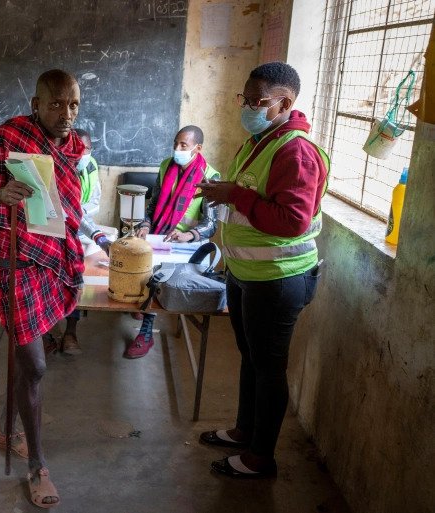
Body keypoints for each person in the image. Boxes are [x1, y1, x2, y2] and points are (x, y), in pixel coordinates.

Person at [0, 69, 86, 509]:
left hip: (51, 263)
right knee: (34, 364)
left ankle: (4, 431)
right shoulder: (8, 136)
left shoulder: (73, 148)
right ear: (35, 104)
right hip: (15, 265)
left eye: (73, 104)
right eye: (55, 104)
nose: (66, 114)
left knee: (24, 359)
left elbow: (70, 209)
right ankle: (37, 467)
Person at [196, 61, 329, 479]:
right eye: (246, 98)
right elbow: (251, 198)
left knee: (269, 367)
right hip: (246, 275)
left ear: (285, 102)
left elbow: (293, 221)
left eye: (258, 101)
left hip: (278, 280)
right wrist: (223, 195)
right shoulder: (259, 140)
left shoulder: (296, 150)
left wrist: (234, 194)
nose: (249, 106)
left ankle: (260, 458)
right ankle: (244, 431)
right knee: (250, 358)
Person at [126, 125, 220, 359]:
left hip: (187, 245)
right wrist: (146, 224)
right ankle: (146, 320)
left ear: (197, 149)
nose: (177, 149)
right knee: (144, 264)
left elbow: (211, 224)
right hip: (160, 236)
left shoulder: (210, 176)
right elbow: (153, 204)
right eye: (175, 144)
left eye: (183, 146)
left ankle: (147, 322)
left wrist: (190, 235)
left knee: (161, 274)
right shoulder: (166, 165)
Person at [58, 128, 111, 355]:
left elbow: (84, 207)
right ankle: (43, 333)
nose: (82, 153)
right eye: (76, 148)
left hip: (80, 233)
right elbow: (68, 209)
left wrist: (99, 237)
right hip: (53, 234)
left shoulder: (89, 166)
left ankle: (70, 331)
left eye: (86, 148)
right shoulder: (57, 169)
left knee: (76, 279)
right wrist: (98, 236)